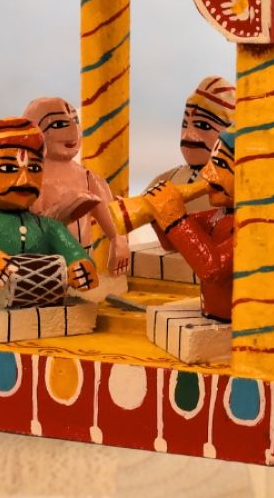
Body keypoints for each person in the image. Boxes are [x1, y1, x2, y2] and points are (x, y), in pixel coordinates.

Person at [0, 117, 99, 328]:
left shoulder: (50, 228)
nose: (24, 180)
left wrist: (81, 268)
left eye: (34, 169)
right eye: (7, 169)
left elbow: (77, 255)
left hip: (43, 322)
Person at [22, 96, 130, 276]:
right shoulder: (28, 181)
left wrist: (118, 240)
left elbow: (112, 218)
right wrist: (61, 212)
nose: (74, 131)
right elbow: (24, 234)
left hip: (84, 261)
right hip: (45, 265)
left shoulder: (87, 178)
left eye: (75, 120)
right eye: (59, 124)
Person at [143, 128, 236, 321]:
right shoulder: (218, 215)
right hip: (213, 315)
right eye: (211, 162)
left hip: (237, 324)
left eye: (220, 164)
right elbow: (172, 243)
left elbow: (212, 269)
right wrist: (157, 215)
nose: (206, 173)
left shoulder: (253, 227)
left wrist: (176, 218)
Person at [144, 75, 235, 214]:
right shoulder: (170, 177)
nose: (187, 135)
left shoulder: (231, 184)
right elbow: (135, 210)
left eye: (203, 125)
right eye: (185, 124)